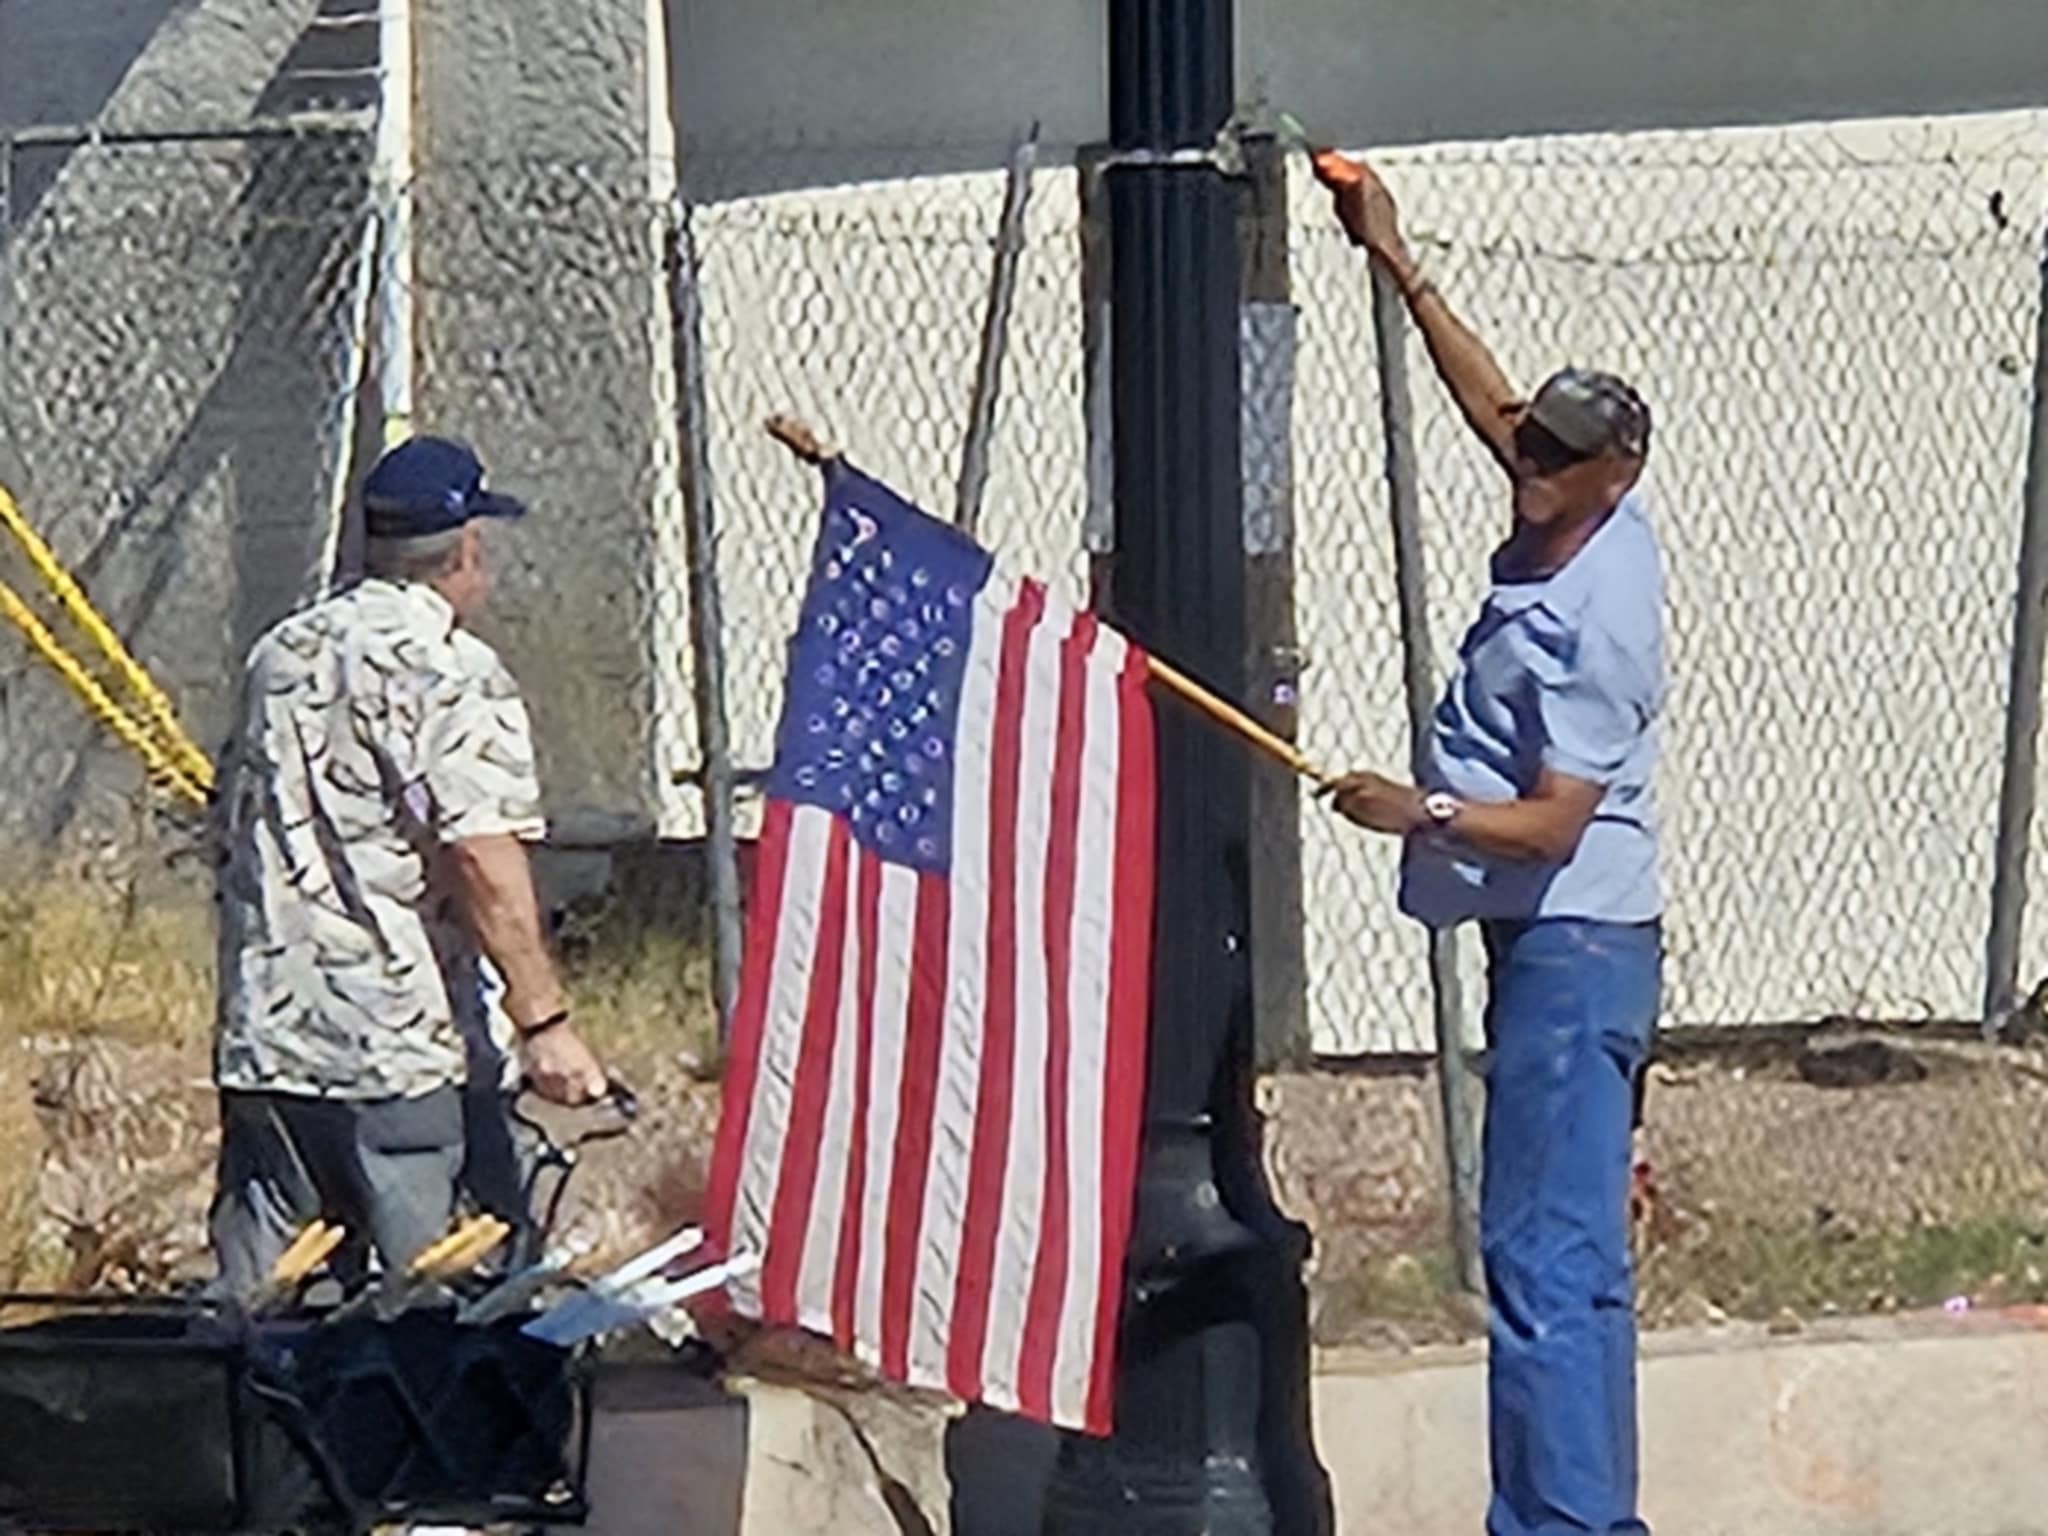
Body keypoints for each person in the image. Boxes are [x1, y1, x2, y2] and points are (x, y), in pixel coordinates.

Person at [1313, 150, 1666, 1536]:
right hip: (1560, 945)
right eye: (1537, 444)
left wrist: (1422, 812)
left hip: (1574, 949)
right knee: (1570, 1262)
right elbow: (1491, 403)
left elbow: (1555, 820)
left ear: (1614, 477)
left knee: (1539, 1260)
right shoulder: (1563, 504)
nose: (1531, 460)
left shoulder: (1597, 620)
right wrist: (1394, 257)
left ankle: (1561, 1525)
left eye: (1560, 456)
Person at [209, 435, 609, 1296]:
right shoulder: (453, 672)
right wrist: (543, 1022)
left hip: (271, 1036)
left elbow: (232, 818)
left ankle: (247, 1387)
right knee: (430, 1308)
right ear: (466, 550)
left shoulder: (280, 655)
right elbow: (481, 856)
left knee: (266, 1309)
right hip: (397, 1049)